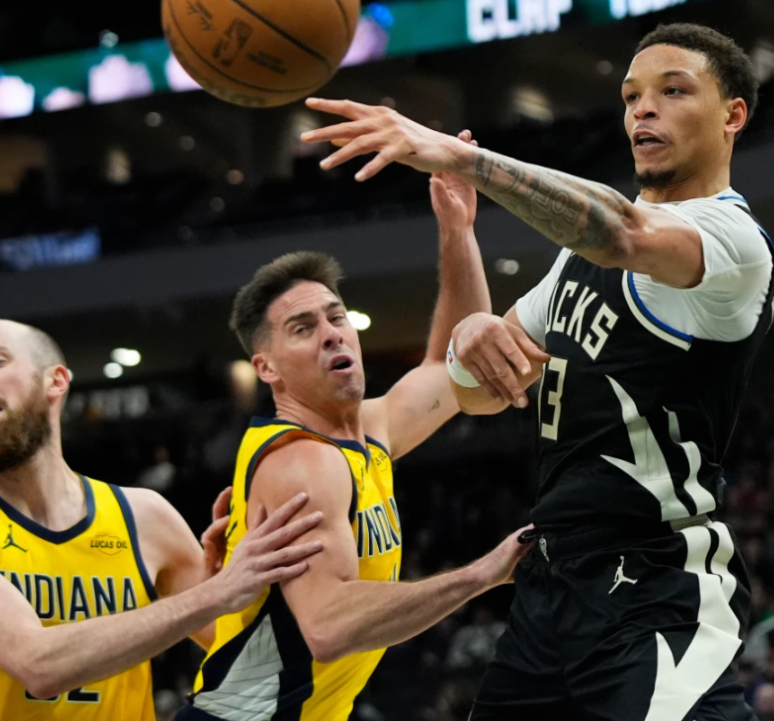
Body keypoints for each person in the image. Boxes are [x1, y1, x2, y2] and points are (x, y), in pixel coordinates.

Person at [304, 22, 774, 720]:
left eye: (673, 91)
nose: (643, 110)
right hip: (550, 584)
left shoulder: (734, 241)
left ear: (732, 114)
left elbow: (620, 232)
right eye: (631, 96)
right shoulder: (574, 262)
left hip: (653, 579)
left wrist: (467, 162)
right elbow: (473, 389)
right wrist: (469, 316)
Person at [179, 166, 532, 720]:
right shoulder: (300, 462)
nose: (332, 333)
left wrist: (457, 231)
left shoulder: (368, 432)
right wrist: (481, 575)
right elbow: (327, 624)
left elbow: (450, 368)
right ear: (265, 368)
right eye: (303, 328)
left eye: (336, 316)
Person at [0, 318, 324, 718]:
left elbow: (245, 652)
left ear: (55, 381)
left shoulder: (144, 516)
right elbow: (37, 664)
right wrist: (217, 594)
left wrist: (257, 579)